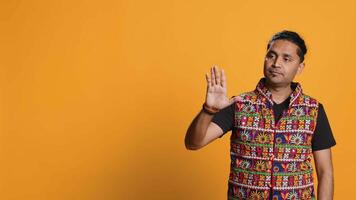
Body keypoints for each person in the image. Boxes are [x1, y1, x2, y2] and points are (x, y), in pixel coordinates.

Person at [184, 30, 336, 200]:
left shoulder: (313, 110)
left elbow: (325, 172)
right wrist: (208, 110)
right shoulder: (239, 104)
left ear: (300, 67)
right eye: (271, 56)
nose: (276, 63)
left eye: (286, 59)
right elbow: (193, 143)